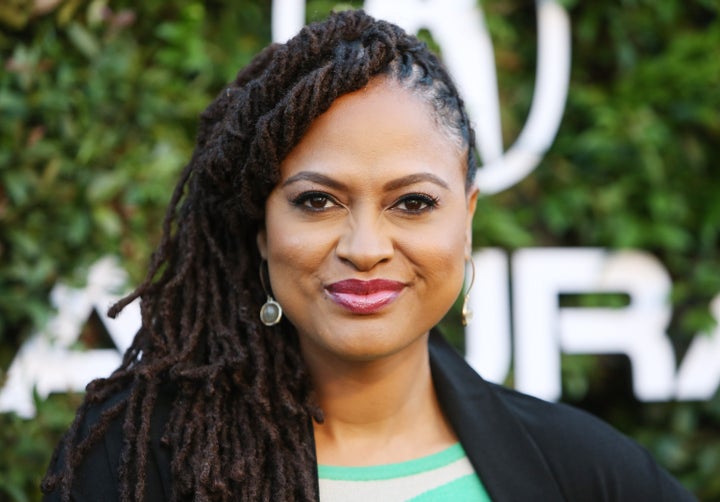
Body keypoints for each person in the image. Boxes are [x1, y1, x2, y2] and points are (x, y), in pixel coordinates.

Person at [42, 9, 695, 502]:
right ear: (262, 227)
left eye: (411, 203)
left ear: (465, 220)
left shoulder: (587, 473)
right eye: (317, 202)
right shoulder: (136, 460)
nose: (365, 248)